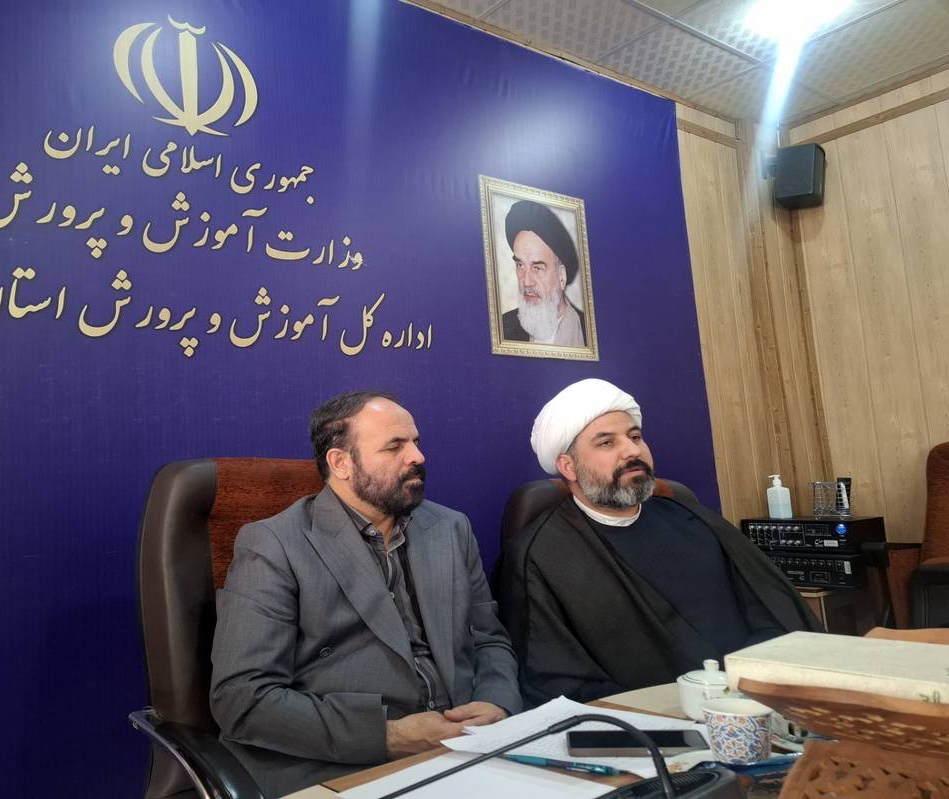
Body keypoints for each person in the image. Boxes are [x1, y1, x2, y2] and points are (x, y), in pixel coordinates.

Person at [210, 391, 521, 798]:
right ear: (340, 463)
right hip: (342, 763)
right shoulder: (274, 544)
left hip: (466, 749)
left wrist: (497, 703)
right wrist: (391, 736)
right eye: (395, 447)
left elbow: (488, 639)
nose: (418, 456)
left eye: (416, 442)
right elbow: (243, 699)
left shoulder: (450, 528)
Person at [496, 379, 819, 708]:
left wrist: (746, 688)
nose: (632, 451)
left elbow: (774, 614)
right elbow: (555, 680)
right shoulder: (540, 556)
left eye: (635, 437)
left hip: (753, 702)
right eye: (607, 443)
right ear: (568, 466)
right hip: (646, 722)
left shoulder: (695, 520)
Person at [500, 199, 587, 347]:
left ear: (561, 276)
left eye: (537, 268)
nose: (527, 282)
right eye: (520, 265)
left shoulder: (587, 331)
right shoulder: (503, 328)